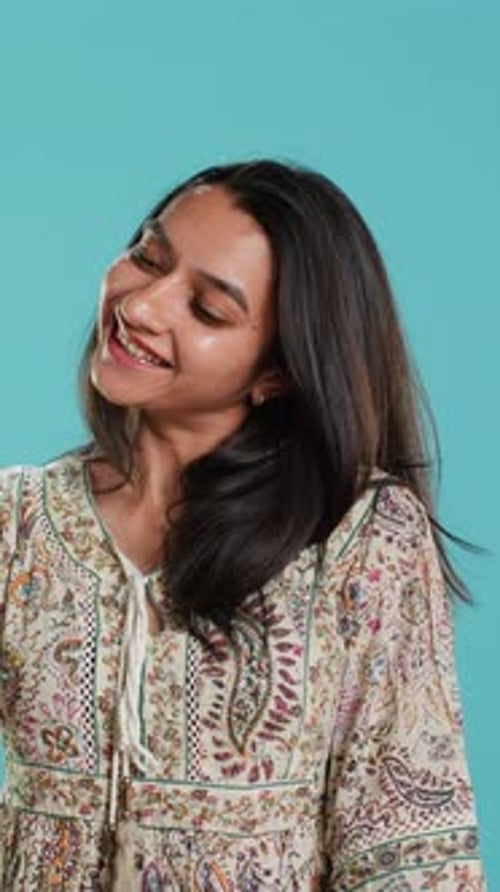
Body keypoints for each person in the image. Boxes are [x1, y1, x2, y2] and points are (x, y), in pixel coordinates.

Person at [0, 159, 485, 890]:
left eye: (209, 310)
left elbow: (409, 851)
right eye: (148, 256)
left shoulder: (358, 535)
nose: (142, 307)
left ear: (277, 373)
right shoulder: (19, 525)